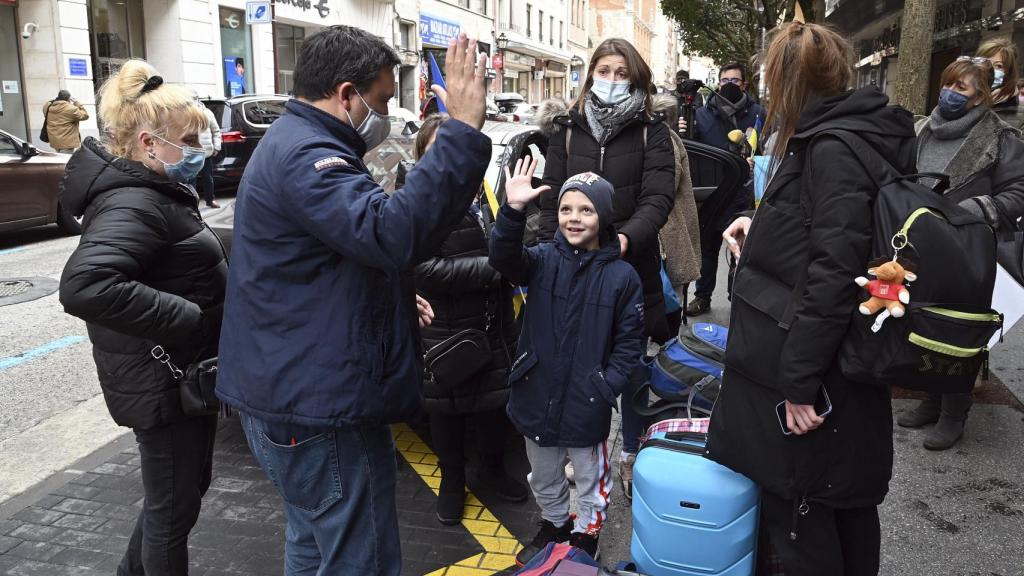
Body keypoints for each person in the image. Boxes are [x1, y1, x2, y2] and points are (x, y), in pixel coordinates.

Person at [215, 26, 490, 574]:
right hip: (321, 409)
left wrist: (385, 294)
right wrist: (459, 129)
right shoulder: (307, 153)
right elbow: (390, 232)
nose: (386, 112)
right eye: (384, 99)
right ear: (347, 94)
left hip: (296, 392)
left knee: (313, 541)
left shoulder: (299, 140)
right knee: (358, 559)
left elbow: (328, 253)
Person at [706, 21, 917, 576]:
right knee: (838, 507)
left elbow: (832, 274)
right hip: (834, 362)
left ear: (783, 80)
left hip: (816, 375)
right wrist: (763, 225)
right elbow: (828, 237)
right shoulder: (847, 135)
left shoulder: (830, 146)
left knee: (807, 516)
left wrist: (799, 386)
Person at [57, 59, 227, 576]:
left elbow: (173, 258)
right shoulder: (134, 201)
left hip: (171, 377)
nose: (199, 151)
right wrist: (189, 318)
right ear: (150, 144)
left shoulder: (154, 192)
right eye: (190, 140)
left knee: (179, 499)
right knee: (171, 512)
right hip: (162, 382)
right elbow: (86, 284)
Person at [535, 38, 675, 501]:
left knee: (630, 364)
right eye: (605, 70)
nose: (611, 81)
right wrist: (550, 249)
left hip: (629, 267)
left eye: (622, 74)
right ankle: (583, 454)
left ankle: (632, 452)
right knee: (575, 363)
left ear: (636, 81)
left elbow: (658, 197)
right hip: (570, 268)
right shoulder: (567, 129)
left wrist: (624, 238)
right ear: (590, 72)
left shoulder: (651, 131)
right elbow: (550, 193)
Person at [489, 165, 644, 564]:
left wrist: (605, 385)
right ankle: (553, 522)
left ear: (604, 217)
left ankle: (586, 533)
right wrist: (512, 210)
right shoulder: (541, 260)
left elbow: (630, 345)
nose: (574, 218)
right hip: (536, 391)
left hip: (585, 400)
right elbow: (503, 257)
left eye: (586, 210)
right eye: (566, 209)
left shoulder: (622, 277)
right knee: (543, 474)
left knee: (591, 476)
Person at [899, 56, 1024, 450]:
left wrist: (970, 211)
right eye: (948, 84)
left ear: (980, 97)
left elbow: (1018, 193)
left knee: (957, 331)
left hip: (970, 250)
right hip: (922, 246)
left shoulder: (1002, 137)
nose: (950, 93)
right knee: (923, 325)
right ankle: (931, 399)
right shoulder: (921, 129)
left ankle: (955, 410)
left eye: (961, 88)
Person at [412, 113, 528, 525]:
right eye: (438, 151)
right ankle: (452, 480)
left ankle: (493, 471)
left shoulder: (485, 195)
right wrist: (497, 268)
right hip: (445, 329)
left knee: (494, 405)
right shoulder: (418, 204)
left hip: (493, 325)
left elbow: (513, 241)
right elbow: (425, 269)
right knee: (447, 409)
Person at [683, 63, 764, 317]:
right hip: (712, 194)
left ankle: (736, 297)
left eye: (735, 80)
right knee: (707, 248)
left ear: (744, 85)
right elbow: (690, 152)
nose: (728, 84)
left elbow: (769, 149)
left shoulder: (758, 114)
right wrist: (683, 129)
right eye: (724, 79)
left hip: (743, 194)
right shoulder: (702, 114)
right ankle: (702, 296)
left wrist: (756, 160)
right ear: (717, 82)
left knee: (739, 247)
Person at [976, 38, 1024, 128]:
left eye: (998, 66)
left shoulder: (1021, 114)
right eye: (985, 62)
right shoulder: (962, 100)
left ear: (1008, 73)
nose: (989, 69)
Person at [193, 92, 222, 208]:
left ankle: (210, 200)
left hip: (206, 153)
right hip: (191, 152)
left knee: (208, 179)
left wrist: (217, 146)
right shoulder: (184, 114)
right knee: (190, 180)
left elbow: (216, 131)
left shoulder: (207, 113)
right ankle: (193, 203)